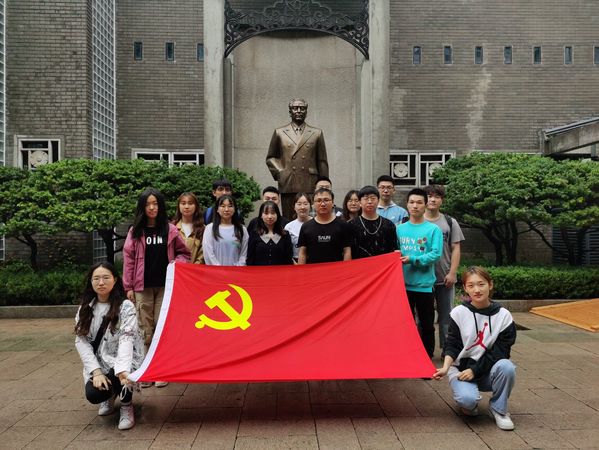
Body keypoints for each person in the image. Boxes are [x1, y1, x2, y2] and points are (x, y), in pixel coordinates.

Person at [433, 266, 517, 431]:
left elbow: (501, 352)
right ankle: (468, 401)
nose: (476, 290)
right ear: (465, 288)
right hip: (461, 371)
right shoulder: (458, 313)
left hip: (487, 370)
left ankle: (499, 409)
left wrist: (475, 370)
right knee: (468, 402)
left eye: (481, 284)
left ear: (490, 285)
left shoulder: (504, 316)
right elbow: (453, 343)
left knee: (507, 367)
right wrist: (446, 367)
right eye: (471, 286)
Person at [122, 188, 190, 388]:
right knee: (145, 329)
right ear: (142, 207)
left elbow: (184, 253)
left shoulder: (170, 229)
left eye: (155, 204)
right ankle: (147, 370)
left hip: (165, 287)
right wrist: (129, 286)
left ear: (160, 206)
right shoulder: (135, 232)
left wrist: (176, 263)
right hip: (142, 286)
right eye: (147, 204)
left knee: (162, 327)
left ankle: (162, 370)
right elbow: (129, 260)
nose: (152, 208)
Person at [75, 262, 145, 430]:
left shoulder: (125, 306)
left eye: (106, 278)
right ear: (90, 282)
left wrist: (122, 370)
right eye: (96, 278)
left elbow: (126, 339)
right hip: (100, 362)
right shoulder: (85, 308)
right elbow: (81, 341)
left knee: (123, 375)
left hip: (126, 358)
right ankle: (109, 396)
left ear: (115, 280)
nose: (101, 282)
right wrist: (96, 372)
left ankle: (126, 406)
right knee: (94, 394)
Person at [396, 188, 442, 357]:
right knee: (404, 324)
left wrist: (413, 259)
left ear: (425, 205)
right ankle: (406, 355)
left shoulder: (433, 230)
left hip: (424, 285)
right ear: (407, 205)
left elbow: (436, 254)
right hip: (403, 286)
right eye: (412, 202)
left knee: (427, 324)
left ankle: (427, 357)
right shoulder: (399, 229)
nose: (415, 206)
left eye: (419, 202)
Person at [266, 98, 329, 218]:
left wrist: (323, 185)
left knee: (310, 219)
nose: (299, 111)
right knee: (288, 219)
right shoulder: (279, 132)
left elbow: (322, 161)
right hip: (288, 182)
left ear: (306, 111)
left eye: (302, 108)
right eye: (295, 108)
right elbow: (271, 157)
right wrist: (281, 172)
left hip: (310, 183)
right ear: (290, 111)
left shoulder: (316, 133)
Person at [424, 184, 465, 351]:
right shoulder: (414, 220)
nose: (433, 200)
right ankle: (424, 350)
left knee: (447, 316)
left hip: (444, 277)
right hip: (422, 279)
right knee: (422, 318)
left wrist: (453, 273)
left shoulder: (449, 222)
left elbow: (456, 248)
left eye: (437, 197)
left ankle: (448, 351)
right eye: (430, 196)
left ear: (442, 200)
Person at [297, 187, 352, 264]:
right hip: (313, 270)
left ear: (332, 203)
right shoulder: (306, 227)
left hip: (337, 270)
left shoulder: (343, 225)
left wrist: (345, 269)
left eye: (326, 200)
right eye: (319, 201)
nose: (322, 204)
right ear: (313, 205)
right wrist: (301, 270)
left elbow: (347, 251)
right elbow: (302, 253)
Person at [348, 185, 397, 259]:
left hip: (383, 265)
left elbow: (393, 251)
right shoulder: (350, 225)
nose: (370, 202)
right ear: (360, 202)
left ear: (378, 201)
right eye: (366, 198)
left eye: (373, 198)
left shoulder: (389, 225)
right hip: (358, 265)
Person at [202, 194, 249, 266]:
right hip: (215, 271)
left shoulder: (242, 229)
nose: (226, 209)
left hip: (236, 271)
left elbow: (243, 254)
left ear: (235, 209)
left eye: (230, 206)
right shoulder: (210, 228)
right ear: (217, 209)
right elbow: (208, 253)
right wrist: (219, 269)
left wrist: (238, 267)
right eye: (223, 206)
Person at [247, 201, 294, 266]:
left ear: (277, 215)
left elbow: (288, 259)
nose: (269, 216)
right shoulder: (254, 234)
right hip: (259, 271)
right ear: (261, 215)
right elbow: (250, 258)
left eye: (273, 213)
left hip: (281, 271)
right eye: (266, 213)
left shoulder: (285, 235)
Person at [172, 192, 205, 264]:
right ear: (179, 206)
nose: (186, 207)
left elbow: (202, 255)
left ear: (196, 206)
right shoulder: (172, 227)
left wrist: (192, 268)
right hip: (176, 269)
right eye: (183, 203)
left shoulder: (203, 229)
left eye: (190, 203)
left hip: (195, 269)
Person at [284, 192, 312, 261]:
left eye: (305, 204)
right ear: (294, 207)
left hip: (313, 261)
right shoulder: (288, 227)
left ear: (310, 206)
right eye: (299, 204)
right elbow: (286, 249)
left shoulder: (316, 223)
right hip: (294, 261)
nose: (302, 207)